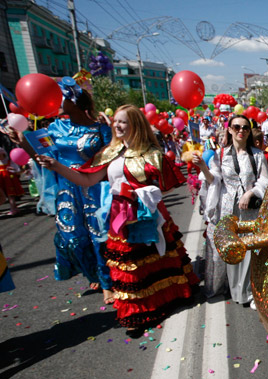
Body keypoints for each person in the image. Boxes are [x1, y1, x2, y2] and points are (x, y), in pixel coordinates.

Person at [36, 104, 198, 337]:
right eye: (116, 121)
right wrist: (57, 166)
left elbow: (165, 187)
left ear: (136, 125)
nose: (117, 125)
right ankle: (135, 314)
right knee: (129, 266)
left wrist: (140, 193)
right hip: (120, 216)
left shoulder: (152, 152)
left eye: (123, 122)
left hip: (148, 214)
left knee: (158, 258)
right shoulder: (108, 152)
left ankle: (169, 298)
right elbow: (86, 180)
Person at [7, 77, 113, 304]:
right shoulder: (55, 128)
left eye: (62, 98)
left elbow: (111, 159)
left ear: (74, 101)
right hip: (67, 190)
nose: (56, 102)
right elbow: (41, 155)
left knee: (99, 236)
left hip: (94, 187)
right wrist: (21, 142)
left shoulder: (101, 129)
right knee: (72, 237)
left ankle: (106, 282)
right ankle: (92, 272)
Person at [196, 115, 268, 308]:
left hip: (248, 211)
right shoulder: (221, 154)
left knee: (247, 249)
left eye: (246, 128)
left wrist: (251, 192)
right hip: (227, 209)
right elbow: (214, 180)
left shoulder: (257, 155)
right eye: (237, 127)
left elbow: (265, 181)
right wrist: (203, 167)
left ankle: (247, 292)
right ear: (229, 129)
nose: (241, 131)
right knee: (226, 247)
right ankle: (226, 286)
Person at [0, 147, 23, 215]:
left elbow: (18, 171)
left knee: (11, 195)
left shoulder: (9, 161)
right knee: (2, 195)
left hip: (9, 180)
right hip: (1, 180)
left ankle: (13, 208)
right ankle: (14, 208)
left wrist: (13, 170)